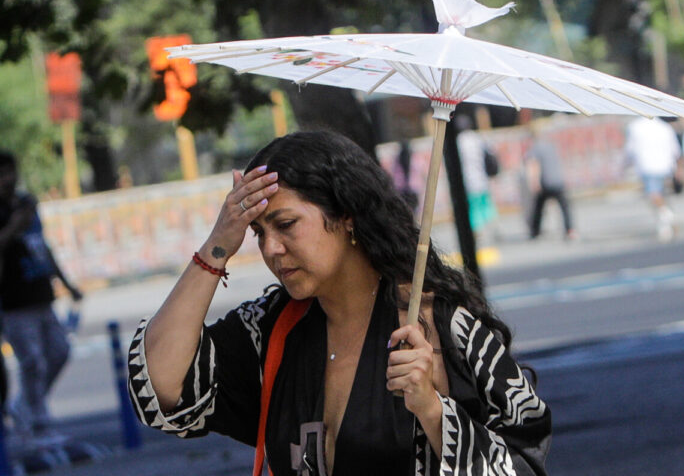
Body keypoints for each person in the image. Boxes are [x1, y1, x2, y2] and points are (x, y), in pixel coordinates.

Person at [128, 131, 551, 476]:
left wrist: (432, 410)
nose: (271, 248)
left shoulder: (442, 329)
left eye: (286, 224)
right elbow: (161, 387)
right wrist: (218, 244)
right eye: (258, 233)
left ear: (347, 214)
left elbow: (524, 461)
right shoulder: (271, 329)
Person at [0, 151, 83, 438]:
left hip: (40, 293)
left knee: (59, 351)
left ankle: (25, 406)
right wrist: (13, 227)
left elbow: (42, 246)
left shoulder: (26, 204)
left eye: (10, 172)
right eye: (1, 174)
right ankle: (37, 422)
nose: (7, 180)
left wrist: (66, 283)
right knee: (31, 361)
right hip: (13, 300)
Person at [624, 117, 680, 242]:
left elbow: (630, 149)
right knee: (663, 196)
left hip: (647, 165)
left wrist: (626, 165)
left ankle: (667, 216)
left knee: (654, 195)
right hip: (666, 165)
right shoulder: (665, 127)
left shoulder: (634, 126)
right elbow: (675, 149)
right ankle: (664, 227)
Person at [455, 115, 499, 245]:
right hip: (482, 177)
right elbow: (490, 153)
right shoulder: (477, 138)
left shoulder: (458, 142)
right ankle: (493, 228)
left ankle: (477, 233)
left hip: (467, 181)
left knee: (473, 208)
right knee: (486, 204)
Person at [524, 130, 576, 240]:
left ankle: (535, 231)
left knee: (538, 208)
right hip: (558, 181)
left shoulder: (535, 149)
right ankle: (570, 230)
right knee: (564, 207)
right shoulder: (551, 147)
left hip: (545, 182)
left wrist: (534, 182)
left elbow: (534, 165)